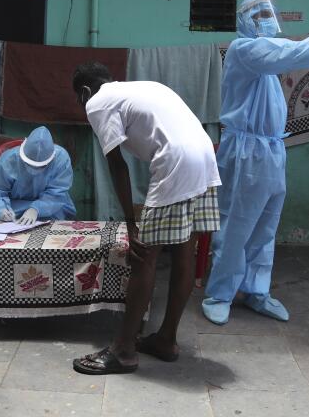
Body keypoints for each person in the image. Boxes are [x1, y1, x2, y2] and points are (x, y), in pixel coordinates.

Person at [202, 0, 309, 324]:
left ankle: (257, 290)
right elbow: (291, 52)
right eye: (260, 14)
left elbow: (283, 56)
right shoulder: (245, 51)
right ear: (245, 21)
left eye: (269, 12)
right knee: (237, 224)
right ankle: (220, 293)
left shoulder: (265, 62)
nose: (268, 18)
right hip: (246, 151)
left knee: (266, 225)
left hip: (271, 149)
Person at [70, 62, 221, 375]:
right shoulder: (143, 87)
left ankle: (123, 350)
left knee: (143, 256)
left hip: (176, 161)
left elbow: (117, 164)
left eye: (79, 99)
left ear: (84, 91)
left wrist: (130, 222)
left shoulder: (97, 101)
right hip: (205, 155)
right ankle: (166, 340)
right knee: (183, 251)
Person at [0, 126, 76, 223]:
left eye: (41, 166)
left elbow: (57, 193)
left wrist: (36, 209)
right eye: (29, 164)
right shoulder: (8, 160)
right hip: (16, 208)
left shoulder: (61, 159)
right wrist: (1, 210)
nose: (34, 170)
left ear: (51, 159)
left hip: (52, 207)